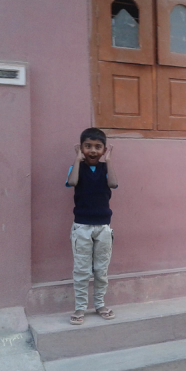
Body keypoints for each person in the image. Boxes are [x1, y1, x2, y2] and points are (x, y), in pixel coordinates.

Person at [66, 127, 118, 325]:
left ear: (104, 150)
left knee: (101, 270)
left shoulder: (105, 169)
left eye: (98, 147)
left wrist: (109, 161)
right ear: (81, 148)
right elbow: (72, 182)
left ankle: (100, 304)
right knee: (81, 270)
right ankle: (80, 307)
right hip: (82, 227)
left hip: (103, 227)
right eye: (87, 146)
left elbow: (113, 184)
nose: (93, 150)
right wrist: (77, 160)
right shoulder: (77, 168)